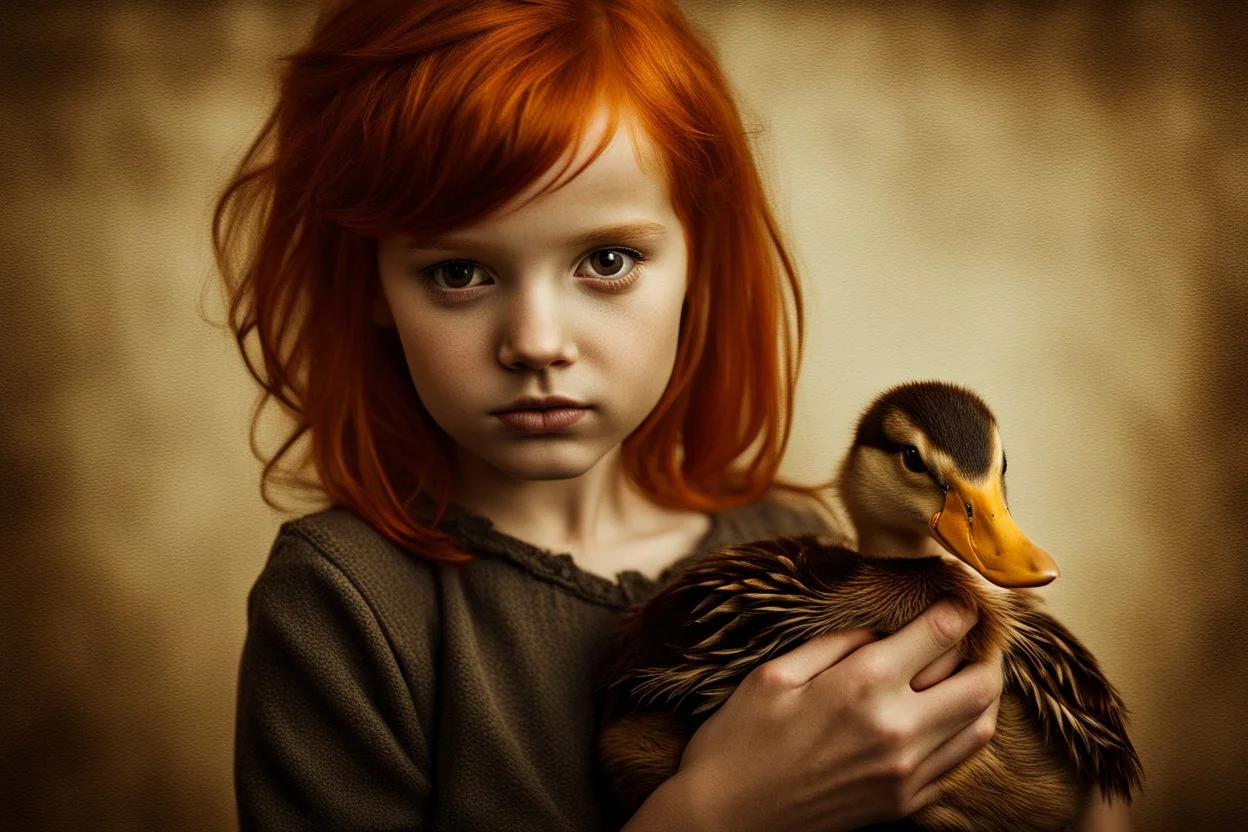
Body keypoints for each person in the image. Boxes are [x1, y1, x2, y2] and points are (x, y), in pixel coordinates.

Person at [217, 0, 1124, 829]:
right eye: (459, 272)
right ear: (373, 284)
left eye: (606, 261)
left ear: (698, 260)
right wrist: (714, 815)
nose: (536, 341)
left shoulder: (796, 538)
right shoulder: (342, 601)